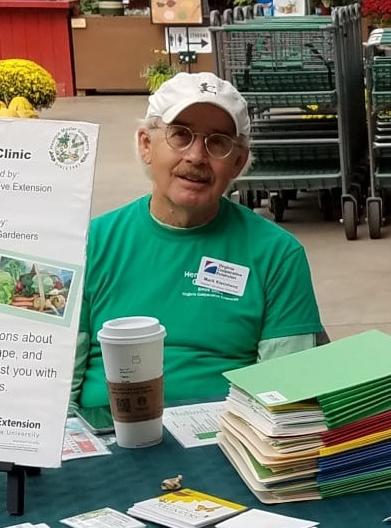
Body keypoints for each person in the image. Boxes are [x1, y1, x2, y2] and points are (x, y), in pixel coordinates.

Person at [71, 73, 326, 429]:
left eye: (218, 143)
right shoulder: (89, 244)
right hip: (106, 435)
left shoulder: (277, 255)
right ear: (146, 143)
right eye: (180, 134)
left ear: (238, 162)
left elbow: (286, 395)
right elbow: (56, 387)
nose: (196, 156)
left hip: (228, 442)